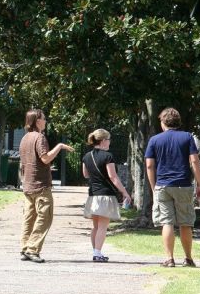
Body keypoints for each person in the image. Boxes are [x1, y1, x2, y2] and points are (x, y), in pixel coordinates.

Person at [144, 108, 200, 267]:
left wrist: (153, 186)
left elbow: (150, 166)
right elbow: (194, 161)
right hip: (183, 184)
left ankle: (169, 258)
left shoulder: (154, 140)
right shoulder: (187, 137)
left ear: (163, 122)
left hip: (163, 185)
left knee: (167, 222)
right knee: (185, 223)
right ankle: (188, 258)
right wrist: (199, 184)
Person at [19, 109, 74, 263]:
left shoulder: (24, 138)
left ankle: (24, 248)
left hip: (28, 185)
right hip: (41, 186)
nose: (46, 121)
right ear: (37, 121)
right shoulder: (40, 138)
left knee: (29, 218)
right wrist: (60, 146)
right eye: (44, 118)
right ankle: (33, 249)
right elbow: (45, 159)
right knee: (45, 217)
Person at [82, 129, 131, 262]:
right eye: (109, 140)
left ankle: (96, 251)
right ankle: (97, 253)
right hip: (105, 195)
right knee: (103, 227)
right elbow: (113, 177)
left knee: (96, 227)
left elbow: (85, 174)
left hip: (93, 195)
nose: (109, 142)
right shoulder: (108, 156)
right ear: (103, 141)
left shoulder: (87, 156)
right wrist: (124, 192)